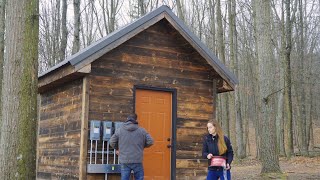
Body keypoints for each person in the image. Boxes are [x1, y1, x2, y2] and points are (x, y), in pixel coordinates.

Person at [110, 113, 154, 180]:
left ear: (127, 119)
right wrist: (142, 146)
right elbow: (150, 141)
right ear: (136, 120)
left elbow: (111, 142)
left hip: (125, 159)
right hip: (137, 160)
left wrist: (118, 148)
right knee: (139, 178)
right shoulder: (142, 130)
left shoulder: (120, 130)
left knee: (124, 178)